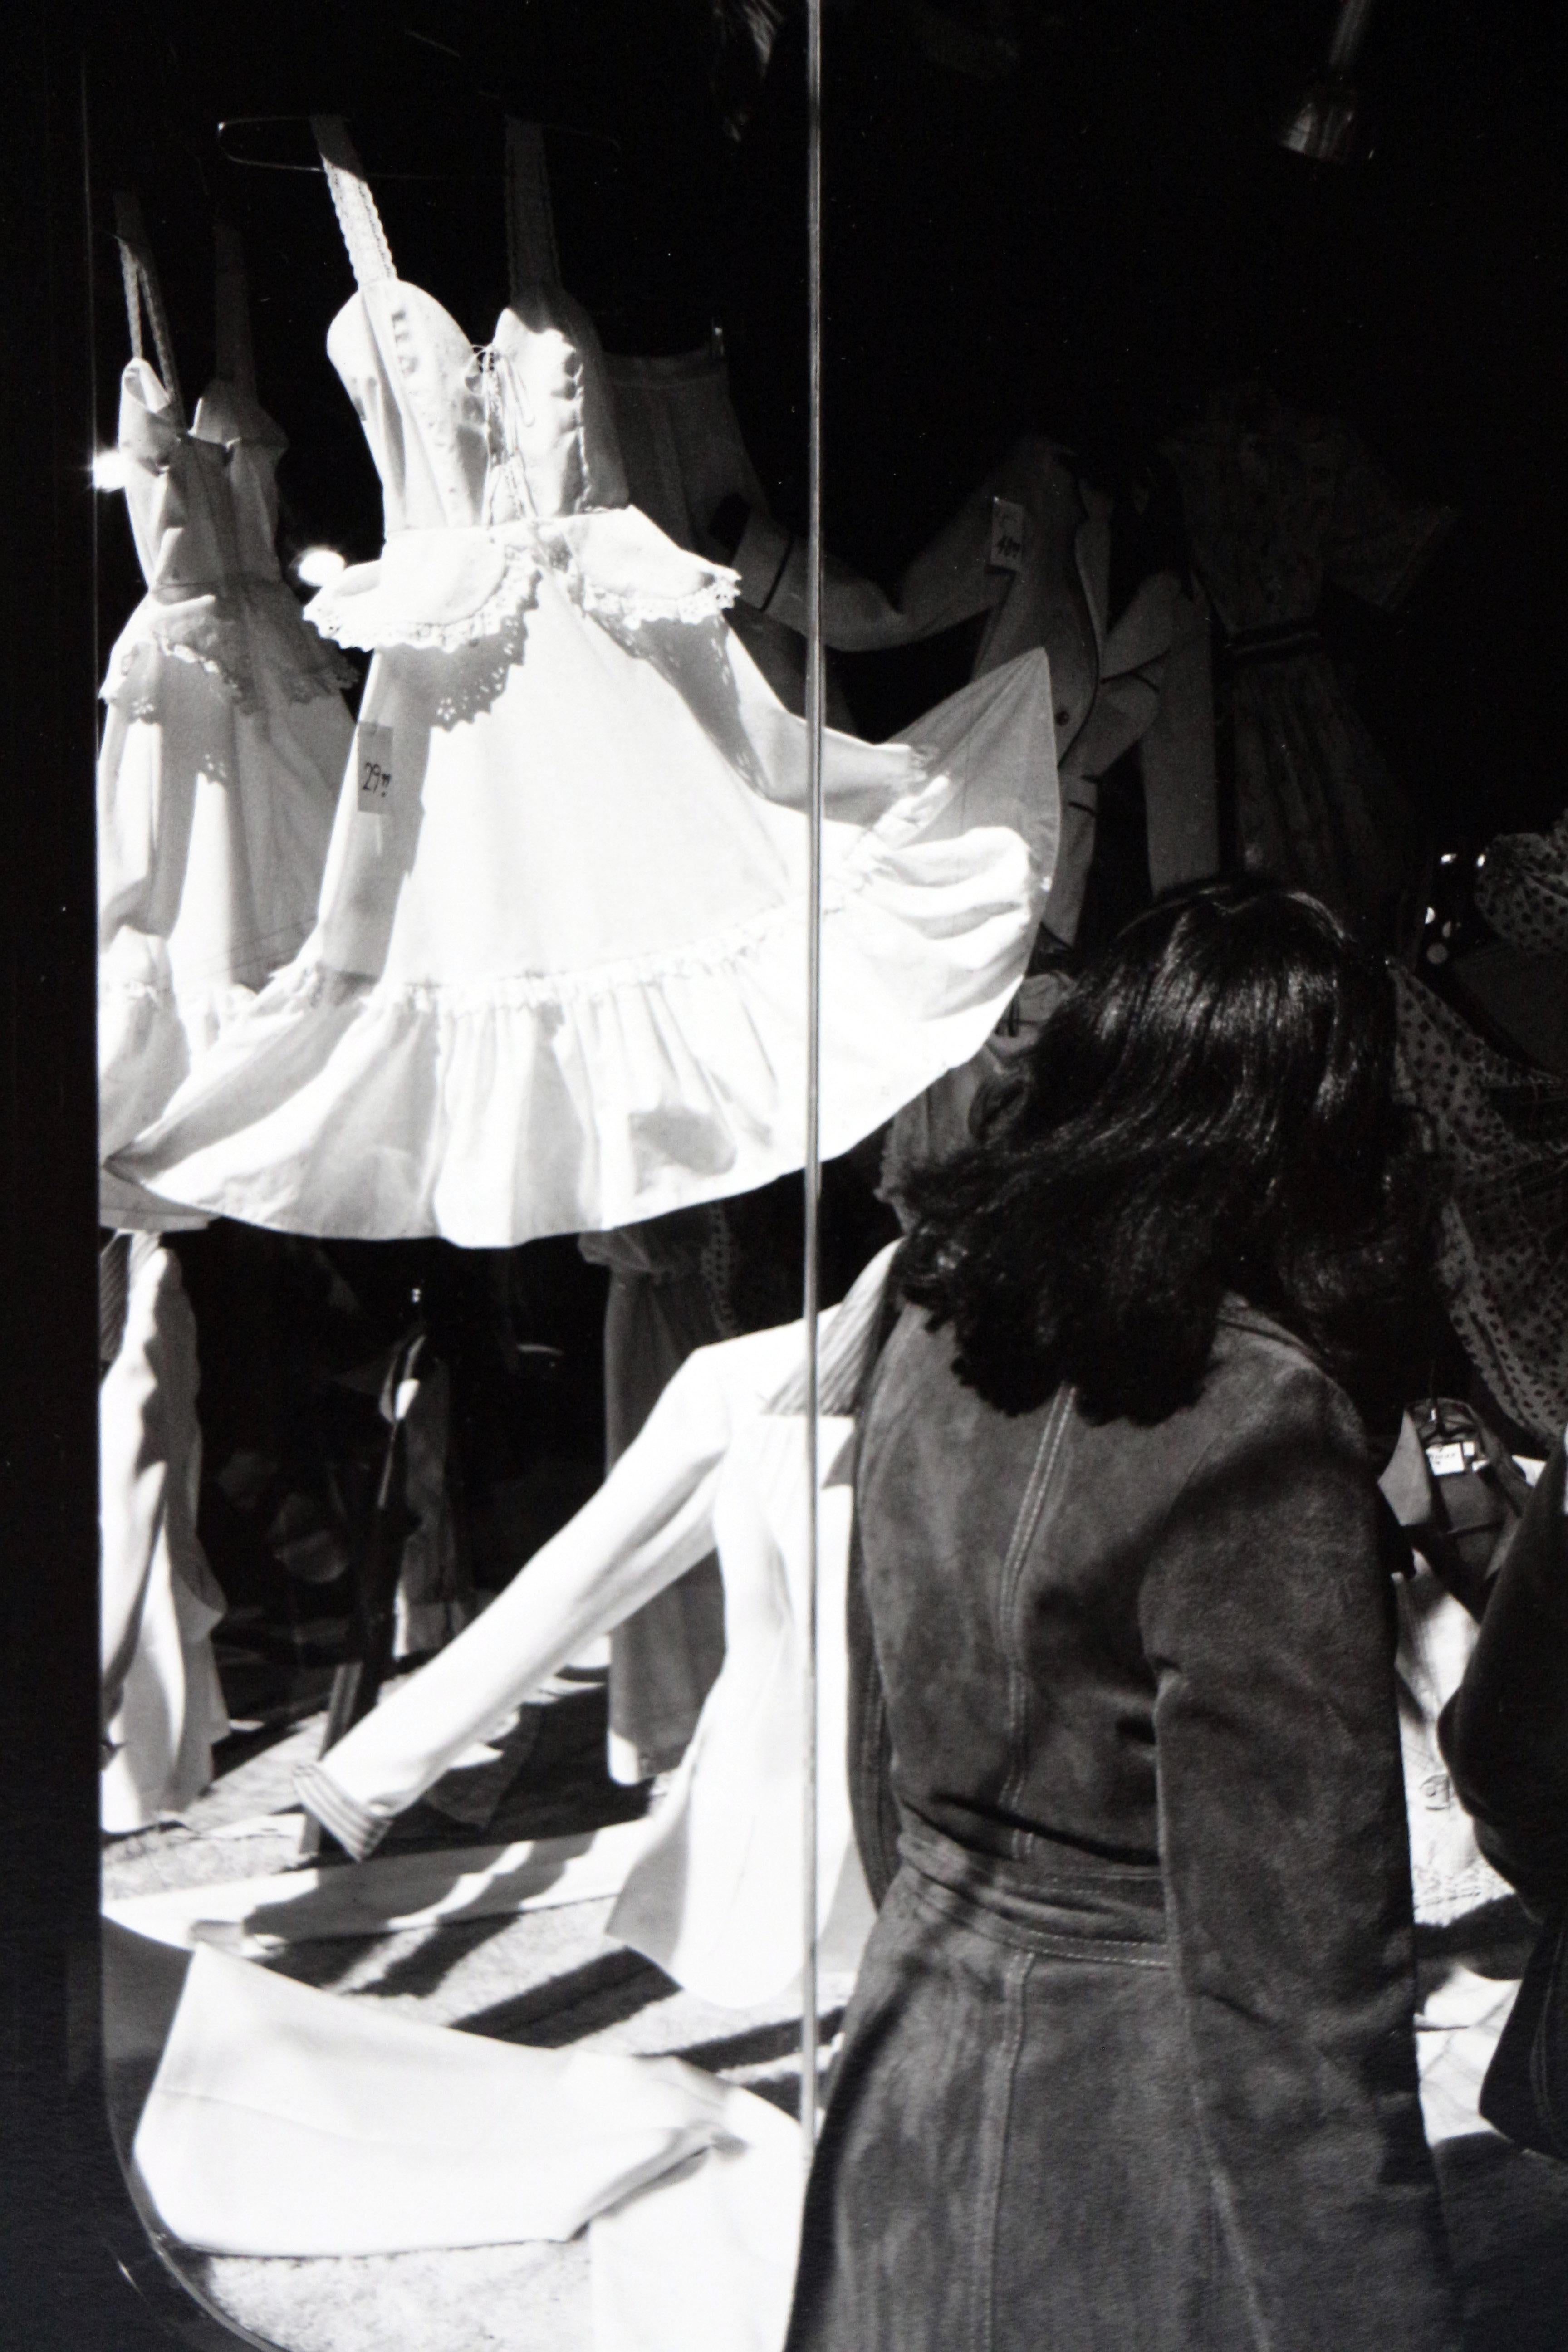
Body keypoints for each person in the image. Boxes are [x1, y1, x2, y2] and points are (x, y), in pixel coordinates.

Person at [786, 882, 1463, 2352]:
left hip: (906, 2091)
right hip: (1143, 2154)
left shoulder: (932, 1311)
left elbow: (872, 1762)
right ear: (1320, 1138)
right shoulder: (1258, 1422)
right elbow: (1305, 1993)